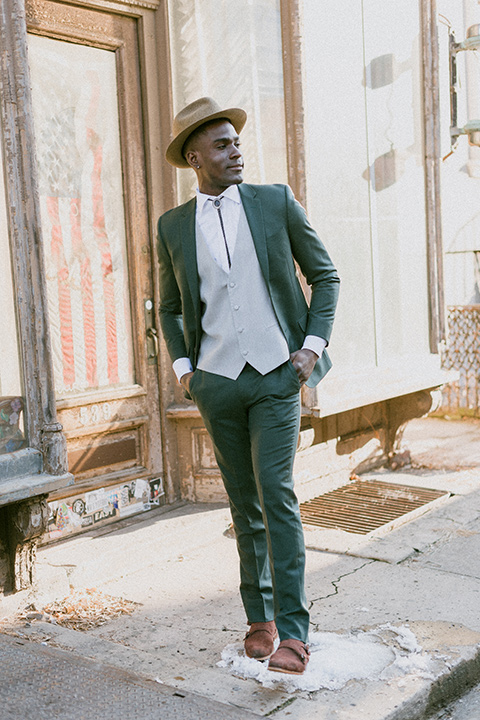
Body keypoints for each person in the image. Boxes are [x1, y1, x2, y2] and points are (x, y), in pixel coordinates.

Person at [157, 97, 340, 675]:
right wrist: (187, 372)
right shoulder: (172, 225)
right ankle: (257, 619)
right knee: (243, 504)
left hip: (275, 378)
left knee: (277, 497)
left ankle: (293, 632)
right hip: (216, 382)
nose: (236, 150)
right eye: (222, 144)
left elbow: (326, 276)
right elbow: (168, 308)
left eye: (236, 141)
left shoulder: (273, 201)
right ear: (195, 157)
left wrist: (310, 349)